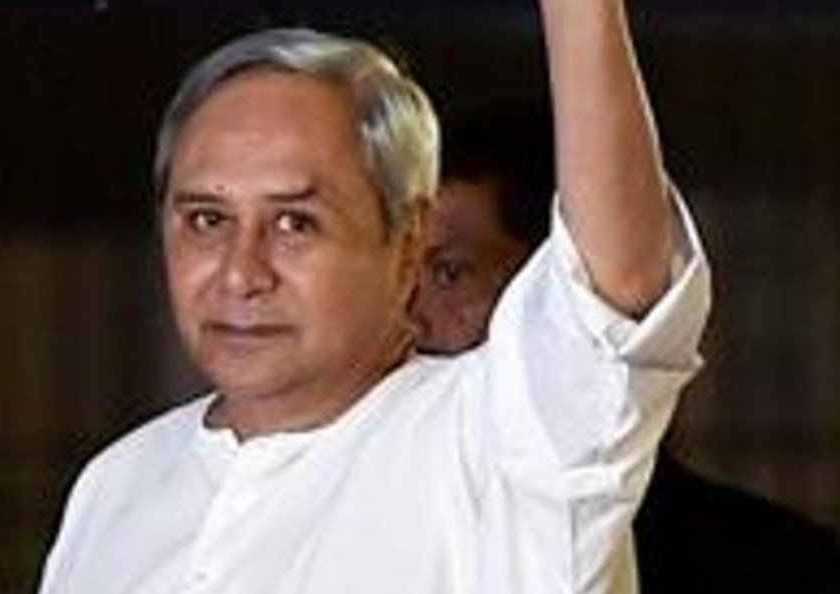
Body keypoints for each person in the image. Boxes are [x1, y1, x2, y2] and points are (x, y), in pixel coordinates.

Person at [37, 1, 712, 592]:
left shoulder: (497, 439)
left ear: (410, 240)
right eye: (207, 220)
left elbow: (614, 292)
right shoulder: (116, 487)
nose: (241, 274)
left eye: (295, 223)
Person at [412, 99, 840, 593]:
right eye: (404, 275)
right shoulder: (392, 528)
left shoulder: (774, 567)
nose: (412, 316)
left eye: (450, 273)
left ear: (563, 295)